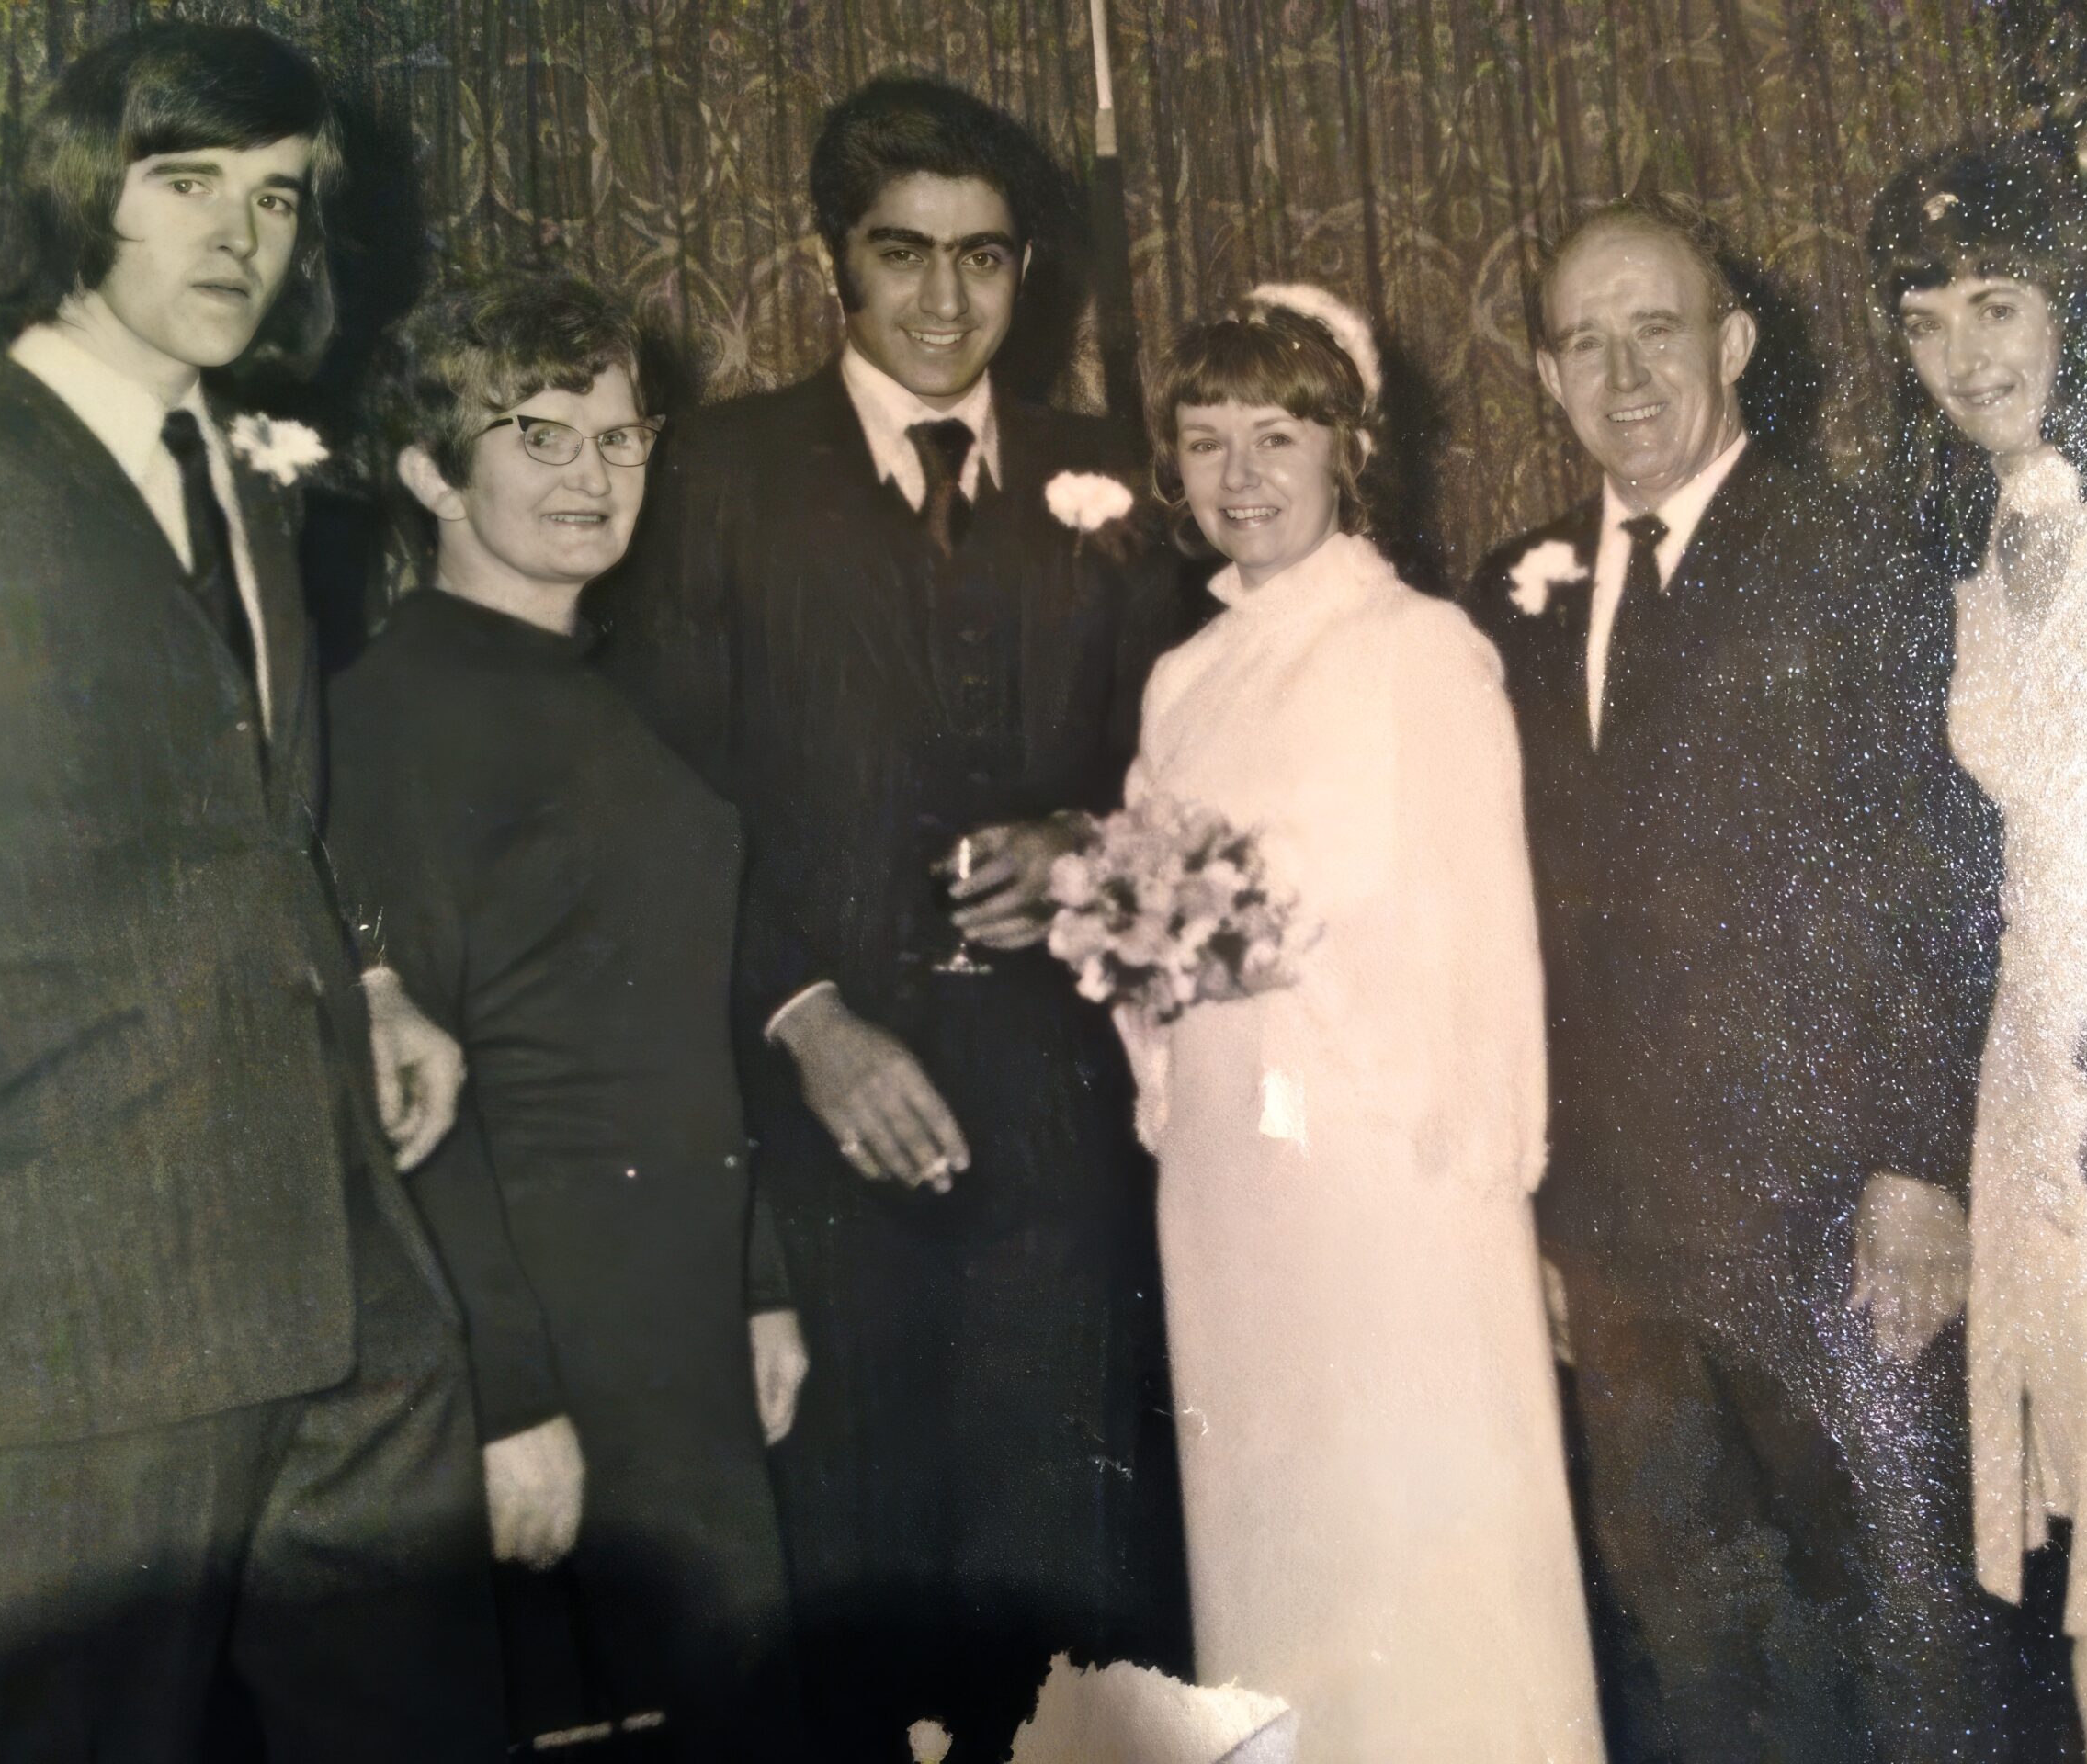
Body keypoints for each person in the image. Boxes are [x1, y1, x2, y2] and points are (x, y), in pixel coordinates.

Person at [598, 74, 1192, 1758]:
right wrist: (805, 1020)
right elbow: (659, 802)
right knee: (859, 1596)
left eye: (984, 259)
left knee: (1062, 1584)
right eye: (903, 255)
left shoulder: (1109, 480)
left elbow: (1189, 762)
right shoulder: (714, 475)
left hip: (1063, 1133)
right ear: (831, 267)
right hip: (813, 1135)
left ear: (1028, 273)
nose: (945, 302)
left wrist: (1088, 839)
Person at [0, 25, 502, 1760]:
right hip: (66, 1300)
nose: (237, 238)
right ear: (71, 193)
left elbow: (256, 813)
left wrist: (374, 976)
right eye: (184, 185)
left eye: (275, 198)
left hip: (339, 1278)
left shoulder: (251, 485)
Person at [1465, 194, 2001, 1763]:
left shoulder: (1856, 551)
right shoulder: (1513, 589)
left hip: (1830, 1220)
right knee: (1693, 1646)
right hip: (1619, 1229)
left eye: (1659, 330)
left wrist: (1918, 1173)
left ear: (1737, 343)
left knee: (1896, 1641)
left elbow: (1929, 869)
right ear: (1549, 377)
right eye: (1586, 343)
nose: (1626, 375)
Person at [1112, 286, 1605, 1762]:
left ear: (1350, 447)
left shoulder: (1419, 647)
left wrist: (1485, 1154)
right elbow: (1145, 926)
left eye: (1279, 433)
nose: (1242, 474)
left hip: (1393, 1166)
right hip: (1230, 1171)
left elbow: (1484, 923)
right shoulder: (1180, 677)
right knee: (1279, 1538)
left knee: (1421, 1534)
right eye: (1207, 442)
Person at [325, 270, 806, 1756]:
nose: (594, 476)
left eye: (621, 436)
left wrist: (755, 1273)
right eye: (541, 435)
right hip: (545, 1326)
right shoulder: (389, 714)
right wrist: (507, 1396)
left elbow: (684, 1016)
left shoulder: (613, 686)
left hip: (676, 1309)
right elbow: (403, 1104)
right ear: (428, 471)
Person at [1869, 141, 2087, 1763]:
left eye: (2000, 303)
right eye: (1926, 319)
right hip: (2033, 1069)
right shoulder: (1966, 560)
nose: (1968, 354)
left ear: (2077, 309)